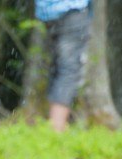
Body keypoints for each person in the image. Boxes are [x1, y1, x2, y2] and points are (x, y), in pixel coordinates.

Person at [36, 0, 92, 132]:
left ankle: (54, 124)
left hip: (48, 15)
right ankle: (57, 129)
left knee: (57, 69)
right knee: (68, 71)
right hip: (72, 11)